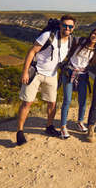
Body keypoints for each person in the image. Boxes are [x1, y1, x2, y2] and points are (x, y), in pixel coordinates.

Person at [16, 14, 76, 146]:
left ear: (73, 27)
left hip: (52, 75)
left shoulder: (71, 40)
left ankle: (49, 126)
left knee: (52, 103)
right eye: (65, 25)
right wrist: (25, 72)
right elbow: (32, 52)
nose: (67, 28)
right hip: (36, 72)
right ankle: (19, 132)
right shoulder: (48, 35)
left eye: (70, 26)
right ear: (60, 25)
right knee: (27, 103)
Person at [59, 28, 96, 139]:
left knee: (83, 101)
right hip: (69, 72)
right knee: (67, 100)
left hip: (83, 75)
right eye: (94, 34)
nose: (95, 37)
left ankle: (80, 122)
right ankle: (63, 126)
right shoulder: (80, 41)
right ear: (91, 33)